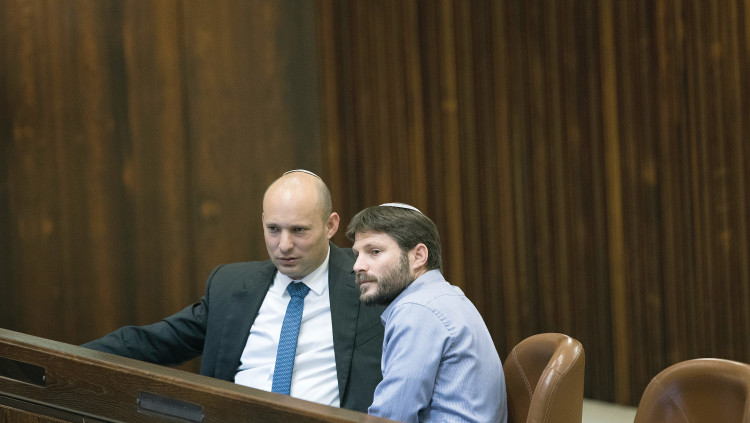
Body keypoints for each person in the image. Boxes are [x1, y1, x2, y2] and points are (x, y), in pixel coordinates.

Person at [82, 170, 385, 412]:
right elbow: (156, 342)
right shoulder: (231, 285)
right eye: (274, 229)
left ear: (330, 225)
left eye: (299, 230)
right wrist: (70, 358)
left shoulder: (371, 281)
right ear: (263, 222)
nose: (284, 245)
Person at [346, 203, 507, 423]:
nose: (357, 266)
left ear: (418, 256)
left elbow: (389, 418)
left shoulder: (417, 310)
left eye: (375, 252)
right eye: (357, 254)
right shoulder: (445, 297)